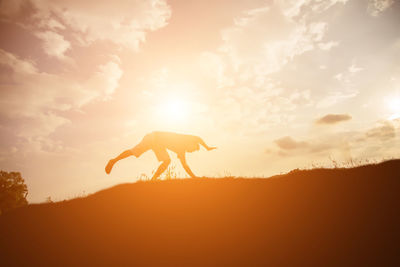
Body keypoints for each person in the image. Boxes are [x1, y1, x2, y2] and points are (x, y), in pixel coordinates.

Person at [105, 131, 217, 180]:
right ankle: (113, 161)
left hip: (158, 144)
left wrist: (194, 177)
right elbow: (197, 138)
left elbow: (185, 165)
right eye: (193, 150)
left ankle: (153, 180)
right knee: (134, 152)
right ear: (192, 145)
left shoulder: (181, 150)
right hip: (153, 137)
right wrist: (206, 147)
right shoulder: (185, 139)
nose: (191, 152)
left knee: (167, 161)